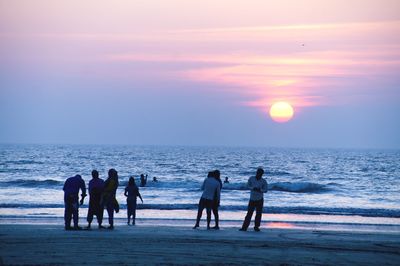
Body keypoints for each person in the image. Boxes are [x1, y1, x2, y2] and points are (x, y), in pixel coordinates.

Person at [239, 168, 268, 232]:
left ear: (262, 174)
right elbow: (247, 186)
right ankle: (244, 227)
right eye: (258, 173)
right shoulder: (251, 178)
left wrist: (260, 190)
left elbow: (266, 190)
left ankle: (256, 227)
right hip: (252, 198)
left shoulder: (263, 181)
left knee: (258, 214)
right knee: (249, 213)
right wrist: (252, 188)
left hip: (259, 199)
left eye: (260, 174)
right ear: (256, 173)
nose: (259, 174)